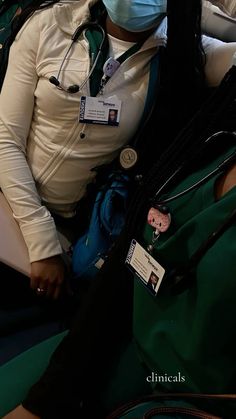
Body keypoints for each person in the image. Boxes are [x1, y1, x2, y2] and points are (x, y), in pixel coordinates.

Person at [0, 1, 236, 418]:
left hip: (72, 233)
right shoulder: (50, 24)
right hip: (12, 207)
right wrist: (41, 242)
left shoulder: (183, 54)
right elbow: (4, 141)